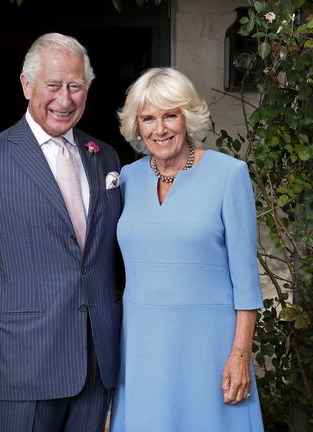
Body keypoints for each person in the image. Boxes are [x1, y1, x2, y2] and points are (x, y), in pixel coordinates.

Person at [0, 32, 123, 432]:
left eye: (75, 86)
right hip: (23, 364)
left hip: (97, 362)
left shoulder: (106, 157)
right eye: (53, 85)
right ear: (27, 85)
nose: (65, 99)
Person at [109, 67, 264, 431]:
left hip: (208, 349)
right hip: (140, 348)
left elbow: (246, 282)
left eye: (170, 116)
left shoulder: (230, 174)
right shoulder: (128, 178)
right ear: (136, 125)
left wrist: (240, 355)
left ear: (187, 117)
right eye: (148, 118)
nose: (159, 129)